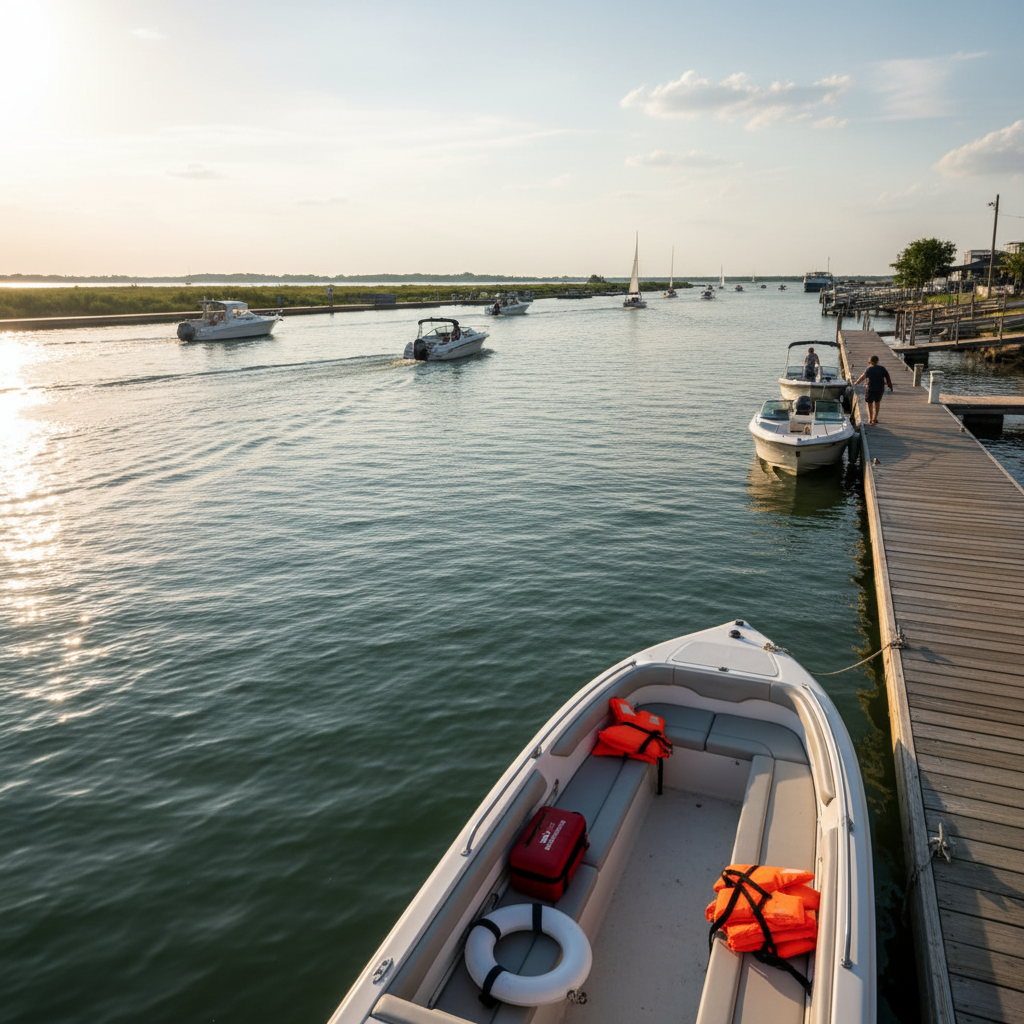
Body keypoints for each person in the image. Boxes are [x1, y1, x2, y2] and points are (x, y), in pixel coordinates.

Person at [853, 355, 893, 425]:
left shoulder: (869, 369)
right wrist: (889, 385)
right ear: (877, 361)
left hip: (870, 389)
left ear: (870, 362)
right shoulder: (882, 369)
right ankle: (875, 418)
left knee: (869, 403)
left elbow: (862, 378)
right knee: (877, 402)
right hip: (880, 389)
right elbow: (888, 378)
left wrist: (856, 383)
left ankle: (870, 419)